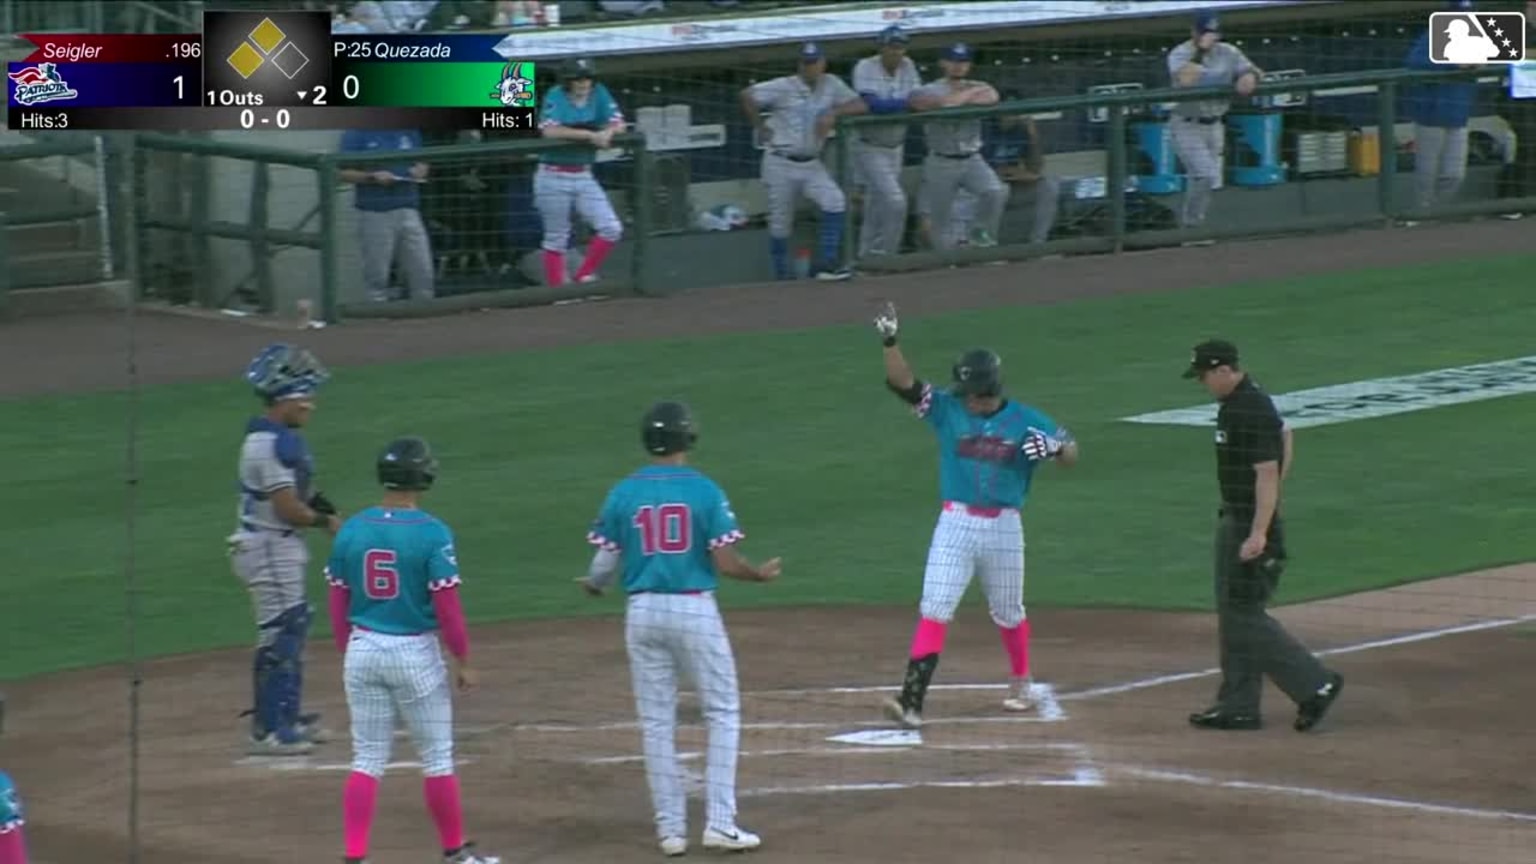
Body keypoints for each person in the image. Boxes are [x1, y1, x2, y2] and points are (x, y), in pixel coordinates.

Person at [579, 401, 780, 857]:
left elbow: (603, 563)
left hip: (642, 612)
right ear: (687, 438)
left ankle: (671, 832)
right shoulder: (704, 491)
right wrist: (758, 576)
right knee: (723, 712)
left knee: (655, 722)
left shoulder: (624, 492)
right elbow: (726, 562)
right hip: (692, 610)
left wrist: (593, 586)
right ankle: (721, 824)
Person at [872, 302, 1079, 728]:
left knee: (1008, 610)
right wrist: (890, 341)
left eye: (970, 392)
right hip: (955, 524)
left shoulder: (1025, 419)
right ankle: (911, 702)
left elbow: (1071, 449)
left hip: (1004, 527)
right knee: (935, 606)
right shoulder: (947, 408)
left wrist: (1057, 449)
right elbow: (903, 383)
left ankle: (1021, 678)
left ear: (988, 388)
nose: (964, 398)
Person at [326, 437, 500, 864]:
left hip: (362, 649)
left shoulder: (352, 529)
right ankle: (455, 854)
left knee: (366, 759)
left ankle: (354, 857)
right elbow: (447, 606)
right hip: (414, 655)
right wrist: (463, 660)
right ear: (421, 476)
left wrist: (350, 651)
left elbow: (337, 601)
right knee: (437, 758)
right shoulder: (432, 533)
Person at [1181, 339, 1344, 733]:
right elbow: (1286, 435)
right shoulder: (1240, 403)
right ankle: (1238, 704)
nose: (1203, 383)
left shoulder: (1248, 407)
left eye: (1205, 375)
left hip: (1249, 525)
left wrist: (1259, 529)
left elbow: (1266, 472)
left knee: (1242, 614)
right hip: (1238, 517)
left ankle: (1315, 683)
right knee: (1234, 611)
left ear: (1224, 370)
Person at [230, 343, 340, 757]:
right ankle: (270, 729)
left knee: (290, 629)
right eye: (305, 396)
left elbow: (299, 497)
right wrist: (324, 521)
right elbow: (288, 509)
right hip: (269, 547)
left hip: (273, 546)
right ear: (285, 397)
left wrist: (322, 509)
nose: (311, 404)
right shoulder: (268, 446)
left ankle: (285, 716)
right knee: (282, 634)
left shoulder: (275, 439)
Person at [740, 42, 867, 281]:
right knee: (780, 224)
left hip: (811, 163)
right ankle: (782, 277)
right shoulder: (784, 86)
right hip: (780, 161)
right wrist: (759, 126)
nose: (809, 68)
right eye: (805, 63)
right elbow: (747, 95)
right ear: (799, 65)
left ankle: (825, 265)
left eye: (814, 62)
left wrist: (833, 113)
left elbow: (861, 104)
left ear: (823, 63)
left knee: (835, 201)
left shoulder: (831, 84)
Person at [908, 43, 1009, 251]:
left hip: (972, 158)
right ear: (942, 63)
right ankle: (945, 262)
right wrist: (967, 98)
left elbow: (992, 96)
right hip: (941, 160)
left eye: (963, 61)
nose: (958, 66)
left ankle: (979, 237)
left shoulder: (979, 85)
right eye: (953, 61)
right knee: (940, 217)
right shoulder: (927, 88)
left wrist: (957, 99)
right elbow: (928, 103)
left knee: (994, 192)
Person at [1166, 10, 1260, 230]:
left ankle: (1192, 226)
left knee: (1206, 179)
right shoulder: (1180, 53)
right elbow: (1186, 79)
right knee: (1205, 174)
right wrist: (1200, 51)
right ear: (1194, 32)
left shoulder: (1228, 51)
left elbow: (1253, 71)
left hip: (1215, 124)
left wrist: (1248, 76)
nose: (1210, 38)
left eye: (1214, 33)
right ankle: (1192, 225)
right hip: (1186, 124)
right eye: (1205, 32)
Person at [536, 57, 626, 286]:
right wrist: (589, 135)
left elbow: (619, 123)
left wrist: (608, 132)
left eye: (587, 78)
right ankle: (558, 291)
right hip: (552, 175)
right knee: (556, 238)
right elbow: (549, 131)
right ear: (567, 81)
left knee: (611, 228)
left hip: (583, 173)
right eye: (577, 79)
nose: (583, 83)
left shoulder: (599, 93)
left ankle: (582, 275)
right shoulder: (556, 94)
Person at [926, 108, 1059, 248]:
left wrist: (1033, 136)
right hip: (977, 190)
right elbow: (971, 169)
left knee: (1049, 185)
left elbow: (1035, 168)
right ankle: (987, 246)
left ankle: (1037, 245)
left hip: (1011, 182)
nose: (1011, 117)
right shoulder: (983, 128)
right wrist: (1001, 172)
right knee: (998, 190)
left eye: (1015, 111)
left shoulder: (1021, 130)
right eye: (1007, 110)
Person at [338, 129, 437, 303]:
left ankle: (424, 314)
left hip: (408, 207)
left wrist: (421, 169)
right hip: (375, 211)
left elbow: (422, 160)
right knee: (377, 274)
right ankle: (378, 319)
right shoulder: (356, 133)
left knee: (422, 269)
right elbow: (342, 172)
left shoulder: (409, 130)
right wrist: (371, 177)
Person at [1404, 1, 1481, 215]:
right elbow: (1413, 63)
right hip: (1430, 114)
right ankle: (1421, 215)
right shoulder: (1433, 34)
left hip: (1458, 115)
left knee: (1455, 174)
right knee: (1427, 174)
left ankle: (1439, 213)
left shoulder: (1476, 38)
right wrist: (1451, 62)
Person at [851, 25, 922, 257]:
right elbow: (874, 105)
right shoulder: (865, 66)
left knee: (876, 206)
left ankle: (865, 256)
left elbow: (918, 99)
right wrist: (906, 105)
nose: (896, 52)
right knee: (895, 201)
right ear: (881, 47)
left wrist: (906, 104)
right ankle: (887, 256)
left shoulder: (908, 66)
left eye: (900, 47)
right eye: (891, 46)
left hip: (896, 147)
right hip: (870, 146)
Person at [1495, 3, 1536, 212]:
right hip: (1519, 100)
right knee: (1527, 147)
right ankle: (1517, 202)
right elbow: (1512, 53)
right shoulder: (1515, 26)